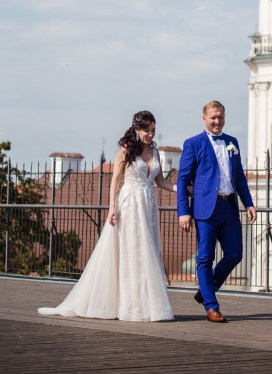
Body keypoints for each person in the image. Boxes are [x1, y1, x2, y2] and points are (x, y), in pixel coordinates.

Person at [38, 111, 175, 321]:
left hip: (148, 206)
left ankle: (145, 306)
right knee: (131, 251)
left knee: (148, 251)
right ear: (137, 130)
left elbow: (161, 182)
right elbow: (116, 180)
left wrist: (180, 189)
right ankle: (131, 307)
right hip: (129, 203)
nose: (150, 134)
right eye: (147, 130)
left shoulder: (154, 152)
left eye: (153, 130)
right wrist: (112, 207)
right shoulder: (126, 150)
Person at [177, 100, 256, 322]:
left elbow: (239, 175)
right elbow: (183, 179)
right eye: (213, 117)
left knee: (234, 254)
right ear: (204, 119)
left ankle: (205, 290)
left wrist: (248, 202)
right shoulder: (193, 143)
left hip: (229, 206)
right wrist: (184, 211)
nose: (217, 121)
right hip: (205, 209)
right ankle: (211, 306)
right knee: (205, 257)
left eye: (220, 117)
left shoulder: (232, 142)